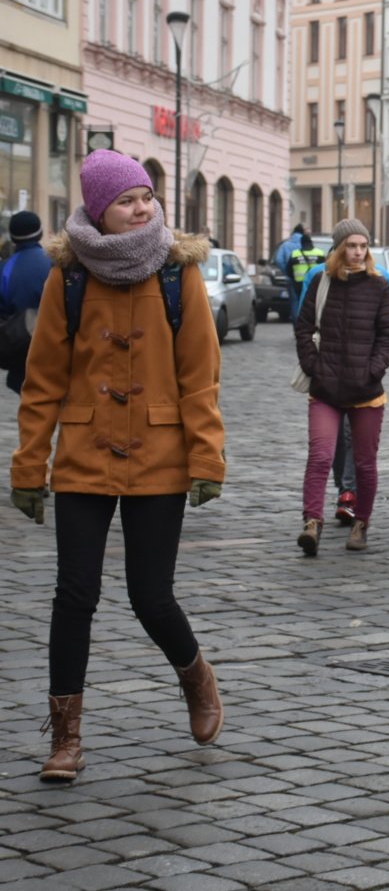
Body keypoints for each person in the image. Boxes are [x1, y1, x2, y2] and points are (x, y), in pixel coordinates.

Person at [12, 149, 225, 782]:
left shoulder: (176, 273)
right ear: (98, 209)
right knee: (73, 596)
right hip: (82, 455)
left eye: (146, 197)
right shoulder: (69, 276)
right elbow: (42, 378)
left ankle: (196, 677)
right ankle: (67, 739)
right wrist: (29, 466)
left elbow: (200, 376)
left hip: (159, 455)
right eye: (127, 200)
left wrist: (207, 455)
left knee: (150, 596)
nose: (141, 207)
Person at [294, 219, 389, 556]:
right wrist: (313, 366)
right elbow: (304, 326)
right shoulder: (322, 281)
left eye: (362, 246)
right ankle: (312, 522)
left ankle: (361, 523)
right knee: (321, 456)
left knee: (365, 463)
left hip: (366, 391)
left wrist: (374, 368)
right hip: (326, 389)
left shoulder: (378, 285)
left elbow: (387, 334)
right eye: (351, 246)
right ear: (338, 248)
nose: (357, 252)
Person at [1, 211, 50, 393]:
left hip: (21, 359)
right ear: (40, 233)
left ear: (13, 238)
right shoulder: (57, 264)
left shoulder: (4, 269)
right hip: (56, 353)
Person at [287, 230, 325, 313]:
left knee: (298, 304)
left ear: (301, 243)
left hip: (298, 284)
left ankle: (297, 322)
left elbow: (288, 271)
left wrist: (294, 279)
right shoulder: (320, 253)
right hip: (317, 282)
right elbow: (325, 268)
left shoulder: (294, 254)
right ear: (311, 242)